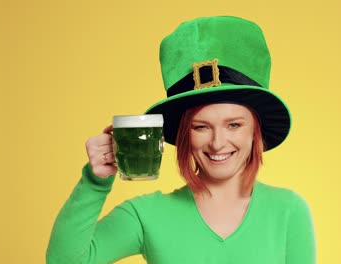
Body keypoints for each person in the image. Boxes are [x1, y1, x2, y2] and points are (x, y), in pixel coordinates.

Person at [47, 16, 315, 264]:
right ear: (184, 133)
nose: (218, 143)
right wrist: (95, 182)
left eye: (233, 125)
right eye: (201, 127)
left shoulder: (289, 211)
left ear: (255, 130)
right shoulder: (146, 214)